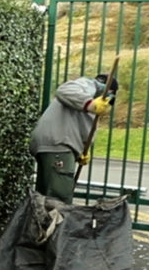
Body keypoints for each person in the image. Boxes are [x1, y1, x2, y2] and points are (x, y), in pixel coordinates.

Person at [29, 74, 118, 204]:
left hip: (53, 146)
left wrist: (83, 151)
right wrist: (90, 104)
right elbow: (64, 90)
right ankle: (57, 225)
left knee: (44, 200)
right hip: (59, 146)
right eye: (108, 99)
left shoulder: (87, 100)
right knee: (59, 201)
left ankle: (43, 224)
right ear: (107, 91)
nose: (107, 104)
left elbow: (82, 128)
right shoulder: (88, 85)